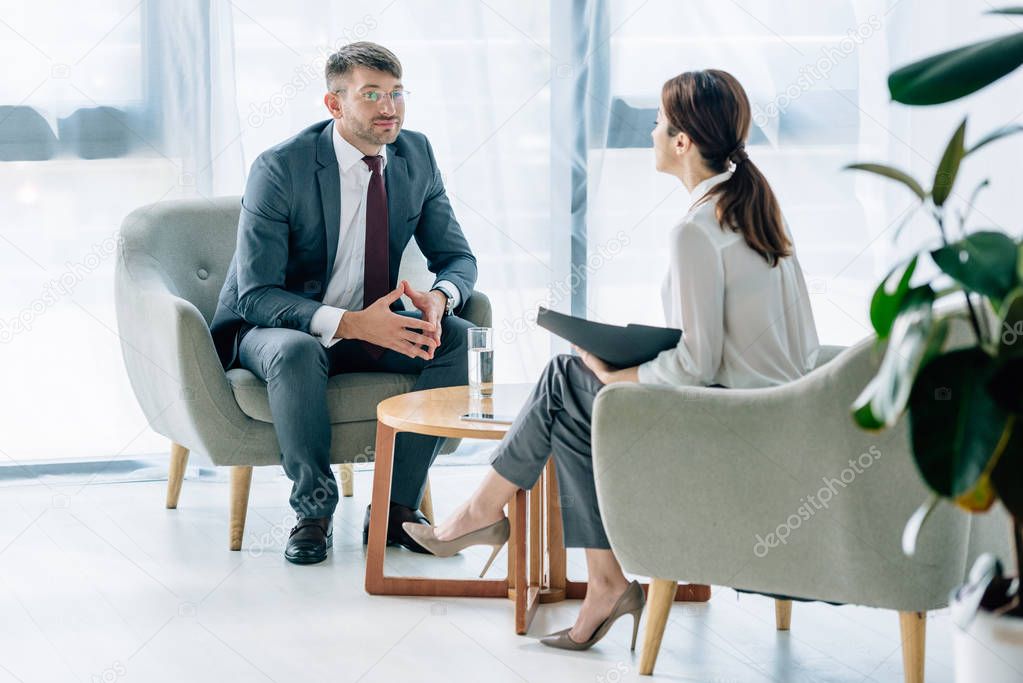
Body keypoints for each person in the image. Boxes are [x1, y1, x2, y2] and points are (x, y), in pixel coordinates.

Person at [405, 69, 820, 650]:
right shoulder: (756, 212)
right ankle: (586, 575)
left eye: (657, 122)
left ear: (682, 142)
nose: (650, 132)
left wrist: (615, 373)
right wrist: (622, 364)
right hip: (775, 419)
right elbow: (780, 346)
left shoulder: (697, 229)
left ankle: (487, 518)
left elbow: (698, 364)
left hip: (727, 431)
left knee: (568, 382)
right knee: (572, 386)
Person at [209, 42, 477, 565]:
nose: (389, 109)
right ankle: (314, 511)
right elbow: (255, 293)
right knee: (297, 353)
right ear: (334, 105)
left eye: (397, 94)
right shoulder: (281, 168)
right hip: (277, 325)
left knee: (456, 340)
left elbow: (459, 258)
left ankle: (395, 510)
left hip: (369, 322)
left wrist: (441, 298)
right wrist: (350, 324)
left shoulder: (415, 155)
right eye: (372, 95)